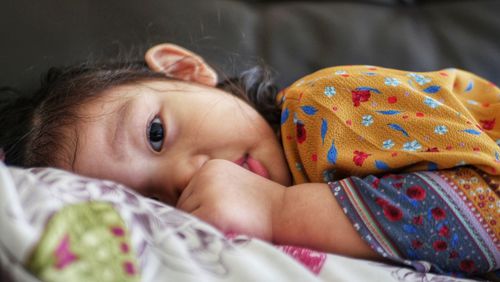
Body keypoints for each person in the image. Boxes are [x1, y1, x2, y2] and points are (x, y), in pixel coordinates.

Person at [0, 43, 498, 277]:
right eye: (148, 202)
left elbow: (489, 212)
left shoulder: (326, 105)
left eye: (156, 134)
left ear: (186, 71)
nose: (186, 177)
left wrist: (277, 212)